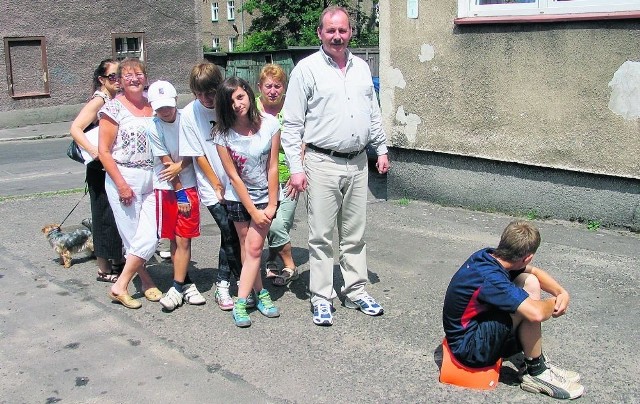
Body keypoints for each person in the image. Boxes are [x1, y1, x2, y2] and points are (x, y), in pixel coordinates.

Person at [281, 6, 390, 326]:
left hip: (357, 162)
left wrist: (380, 149)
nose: (337, 36)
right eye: (331, 31)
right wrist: (296, 168)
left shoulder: (360, 67)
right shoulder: (306, 69)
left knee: (355, 234)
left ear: (350, 33)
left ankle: (356, 290)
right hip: (321, 162)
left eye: (342, 30)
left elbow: (373, 111)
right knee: (322, 236)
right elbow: (291, 125)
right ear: (320, 33)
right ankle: (322, 296)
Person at [442, 220, 584, 399]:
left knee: (529, 281)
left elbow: (535, 273)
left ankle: (535, 360)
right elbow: (536, 313)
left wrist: (561, 291)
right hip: (470, 349)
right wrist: (557, 302)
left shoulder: (489, 256)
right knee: (527, 309)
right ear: (527, 257)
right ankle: (537, 372)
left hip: (473, 330)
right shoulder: (492, 279)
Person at [213, 76, 281, 328]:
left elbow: (273, 166)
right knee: (247, 248)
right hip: (238, 199)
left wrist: (272, 205)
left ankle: (240, 302)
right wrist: (251, 209)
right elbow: (233, 176)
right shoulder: (222, 135)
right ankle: (259, 293)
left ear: (249, 94)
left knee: (253, 249)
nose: (237, 104)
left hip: (266, 198)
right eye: (230, 101)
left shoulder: (271, 125)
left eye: (240, 97)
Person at [178, 61, 245, 311]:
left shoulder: (230, 105)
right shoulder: (189, 114)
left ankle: (238, 280)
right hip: (211, 184)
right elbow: (198, 155)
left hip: (238, 182)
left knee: (238, 234)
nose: (205, 98)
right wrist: (217, 185)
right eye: (199, 93)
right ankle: (226, 283)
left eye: (210, 92)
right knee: (229, 231)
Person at [98, 58, 161, 309]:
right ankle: (145, 280)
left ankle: (120, 284)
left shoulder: (154, 106)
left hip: (154, 176)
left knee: (152, 233)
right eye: (128, 75)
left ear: (146, 78)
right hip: (125, 176)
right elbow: (104, 151)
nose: (134, 79)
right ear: (120, 81)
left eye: (139, 74)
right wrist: (122, 184)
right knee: (133, 235)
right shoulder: (113, 109)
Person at [146, 80, 206, 311]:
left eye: (168, 106)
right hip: (168, 187)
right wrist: (179, 192)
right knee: (174, 237)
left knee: (185, 237)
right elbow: (166, 164)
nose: (165, 112)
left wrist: (182, 166)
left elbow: (194, 151)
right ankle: (183, 283)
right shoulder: (153, 127)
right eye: (159, 108)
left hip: (189, 184)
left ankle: (179, 286)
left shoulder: (186, 119)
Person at [69, 59, 124, 283]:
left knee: (115, 213)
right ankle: (103, 268)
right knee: (103, 214)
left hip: (109, 164)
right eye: (112, 76)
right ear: (102, 80)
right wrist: (95, 151)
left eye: (120, 75)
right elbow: (75, 128)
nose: (118, 80)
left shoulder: (115, 98)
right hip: (98, 167)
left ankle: (116, 259)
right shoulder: (99, 100)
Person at [256, 64, 299, 287]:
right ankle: (289, 264)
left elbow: (304, 141)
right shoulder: (252, 108)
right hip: (260, 177)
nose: (273, 91)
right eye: (268, 86)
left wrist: (297, 170)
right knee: (270, 223)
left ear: (284, 88)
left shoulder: (292, 108)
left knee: (281, 223)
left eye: (278, 86)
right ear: (260, 87)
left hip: (289, 175)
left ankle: (273, 259)